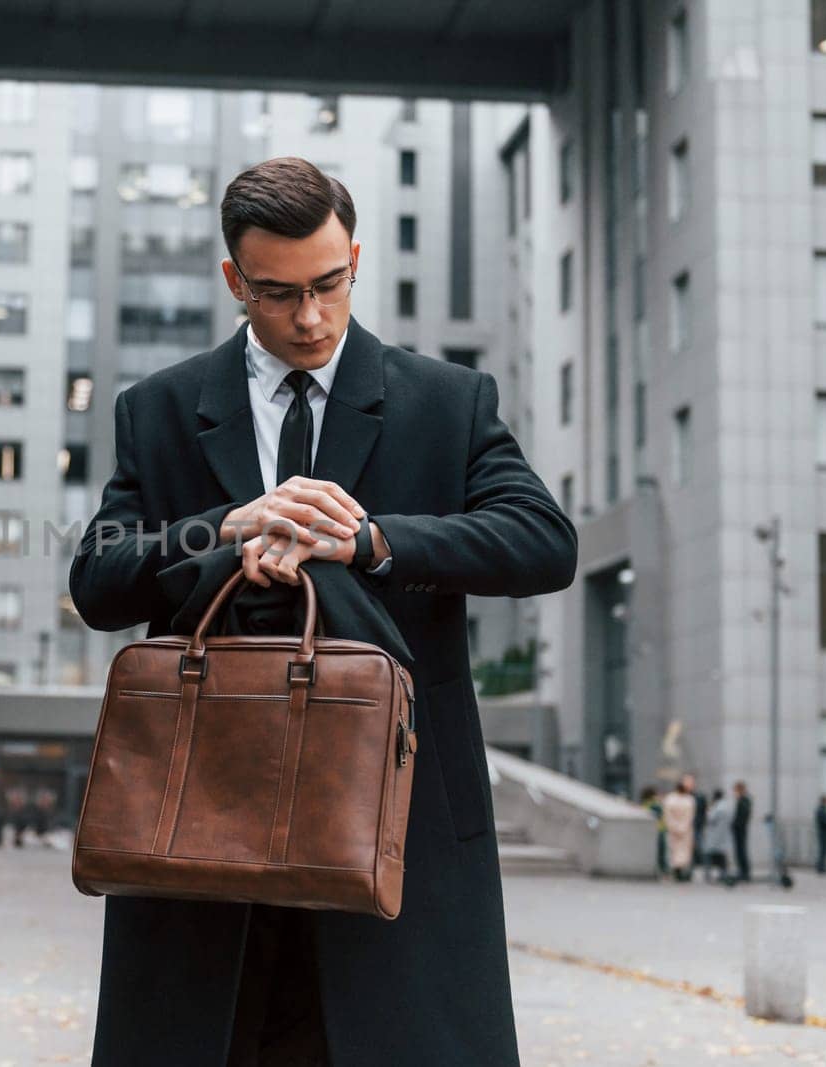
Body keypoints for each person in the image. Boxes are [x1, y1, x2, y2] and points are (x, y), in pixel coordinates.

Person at [69, 157, 577, 1066]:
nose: (309, 317)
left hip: (396, 830)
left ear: (355, 259)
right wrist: (220, 530)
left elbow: (544, 541)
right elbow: (100, 577)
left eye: (328, 284)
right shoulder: (156, 409)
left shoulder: (448, 402)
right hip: (203, 837)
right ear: (234, 281)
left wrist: (373, 539)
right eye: (277, 293)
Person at [661, 777, 698, 882]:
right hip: (685, 830)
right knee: (683, 852)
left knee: (675, 851)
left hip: (673, 830)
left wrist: (673, 826)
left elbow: (667, 815)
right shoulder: (689, 800)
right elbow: (690, 816)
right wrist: (683, 827)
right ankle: (681, 872)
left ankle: (677, 871)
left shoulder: (670, 799)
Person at [702, 788, 733, 884]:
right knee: (722, 857)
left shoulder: (717, 807)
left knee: (708, 855)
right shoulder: (728, 807)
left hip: (714, 835)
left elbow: (710, 818)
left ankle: (708, 874)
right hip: (723, 835)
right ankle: (723, 874)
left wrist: (708, 810)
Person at [639, 785, 666, 876]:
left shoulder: (643, 804)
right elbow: (661, 815)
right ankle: (663, 871)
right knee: (661, 853)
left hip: (647, 831)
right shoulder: (655, 804)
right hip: (659, 830)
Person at [730, 780, 753, 883]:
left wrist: (735, 824)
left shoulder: (744, 800)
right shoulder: (744, 800)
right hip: (739, 829)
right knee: (740, 851)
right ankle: (743, 871)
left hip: (740, 829)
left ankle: (744, 872)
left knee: (741, 851)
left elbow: (742, 816)